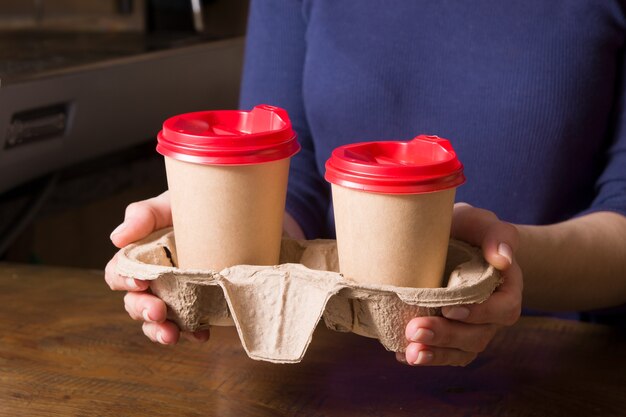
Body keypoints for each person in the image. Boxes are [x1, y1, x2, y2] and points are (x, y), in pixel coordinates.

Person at [105, 1, 626, 366]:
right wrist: (212, 218)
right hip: (318, 362)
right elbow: (296, 176)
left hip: (557, 366)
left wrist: (498, 261)